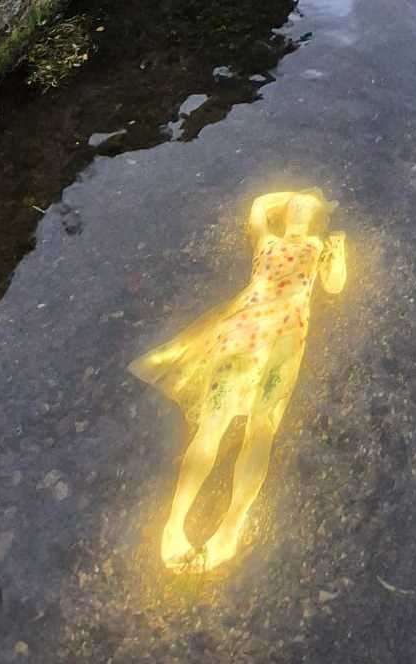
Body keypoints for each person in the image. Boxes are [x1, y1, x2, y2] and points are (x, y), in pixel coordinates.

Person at [130, 189, 347, 573]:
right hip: (243, 330)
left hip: (285, 339)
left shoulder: (320, 245)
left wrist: (339, 251)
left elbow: (334, 286)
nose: (298, 205)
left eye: (306, 206)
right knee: (212, 424)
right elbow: (259, 208)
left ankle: (231, 525)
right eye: (294, 202)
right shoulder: (267, 239)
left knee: (261, 430)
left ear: (316, 219)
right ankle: (174, 523)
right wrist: (293, 193)